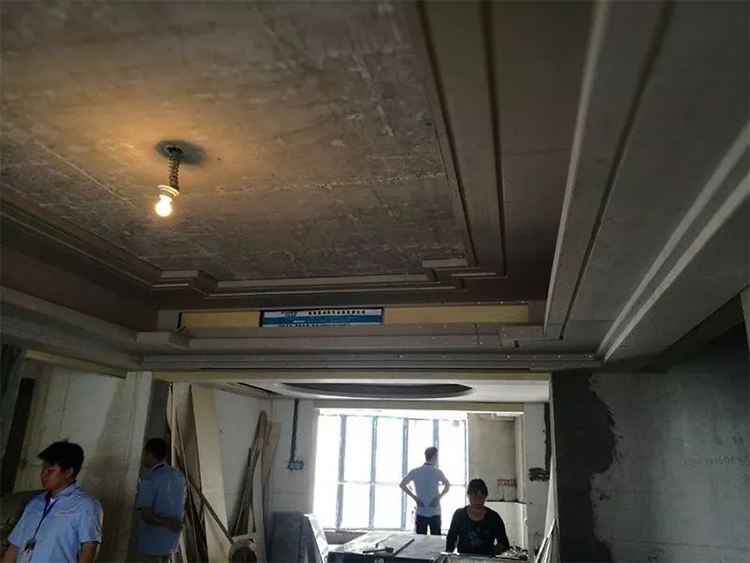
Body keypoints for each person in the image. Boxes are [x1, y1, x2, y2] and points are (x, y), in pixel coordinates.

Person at [2, 441, 102, 563]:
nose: (43, 475)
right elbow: (14, 547)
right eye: (43, 469)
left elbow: (89, 549)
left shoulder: (85, 505)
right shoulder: (35, 503)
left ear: (68, 472)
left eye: (49, 471)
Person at [136, 438, 186, 563]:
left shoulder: (150, 480)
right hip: (171, 542)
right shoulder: (178, 475)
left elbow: (146, 514)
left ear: (149, 454)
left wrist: (166, 522)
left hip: (152, 543)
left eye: (144, 454)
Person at [445, 478, 510, 556]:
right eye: (474, 497)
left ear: (485, 497)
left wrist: (492, 551)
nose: (478, 501)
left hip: (487, 559)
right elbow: (451, 539)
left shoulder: (493, 517)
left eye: (481, 497)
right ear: (468, 496)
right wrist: (448, 556)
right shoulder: (459, 515)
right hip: (463, 559)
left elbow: (504, 543)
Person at [399, 446, 451, 535]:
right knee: (435, 539)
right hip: (435, 510)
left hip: (421, 509)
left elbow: (402, 484)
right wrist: (438, 498)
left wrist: (415, 498)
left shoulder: (415, 471)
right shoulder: (437, 472)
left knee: (420, 539)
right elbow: (447, 485)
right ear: (434, 456)